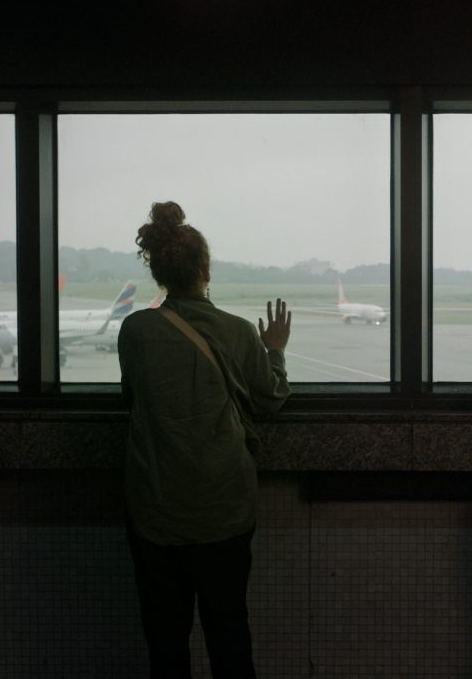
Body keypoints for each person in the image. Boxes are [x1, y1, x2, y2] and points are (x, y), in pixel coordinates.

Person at [118, 201, 291, 678]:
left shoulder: (135, 331)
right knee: (229, 635)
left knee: (166, 642)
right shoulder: (238, 333)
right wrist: (274, 352)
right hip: (224, 509)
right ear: (206, 270)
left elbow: (132, 395)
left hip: (156, 511)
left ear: (158, 272)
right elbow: (271, 396)